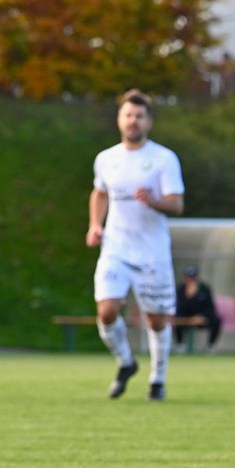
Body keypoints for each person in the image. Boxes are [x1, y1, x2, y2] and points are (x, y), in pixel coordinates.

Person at [86, 89, 184, 401]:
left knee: (156, 319)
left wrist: (153, 201)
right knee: (106, 311)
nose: (133, 121)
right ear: (119, 120)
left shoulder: (164, 159)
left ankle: (158, 380)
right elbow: (100, 192)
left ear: (149, 122)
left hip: (152, 252)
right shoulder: (106, 159)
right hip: (116, 248)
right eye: (128, 115)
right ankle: (126, 362)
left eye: (139, 116)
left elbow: (177, 204)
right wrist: (95, 225)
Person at [174, 265, 220, 354]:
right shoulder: (181, 289)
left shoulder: (204, 288)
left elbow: (210, 307)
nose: (191, 281)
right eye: (189, 278)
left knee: (216, 320)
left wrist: (202, 317)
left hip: (201, 318)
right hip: (186, 319)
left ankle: (210, 345)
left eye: (193, 278)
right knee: (177, 320)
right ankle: (180, 345)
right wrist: (189, 296)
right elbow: (180, 309)